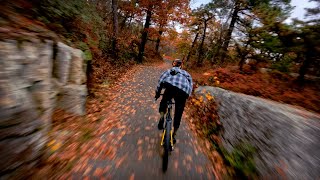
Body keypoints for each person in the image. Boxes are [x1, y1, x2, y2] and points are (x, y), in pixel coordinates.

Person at [155, 59, 193, 143]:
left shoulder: (169, 71)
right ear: (181, 65)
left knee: (164, 102)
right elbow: (191, 87)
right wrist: (187, 96)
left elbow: (160, 82)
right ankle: (174, 134)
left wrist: (157, 94)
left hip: (170, 88)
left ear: (173, 64)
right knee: (179, 112)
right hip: (183, 92)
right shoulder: (187, 74)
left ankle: (162, 118)